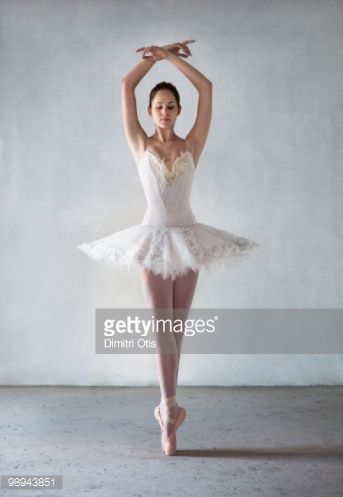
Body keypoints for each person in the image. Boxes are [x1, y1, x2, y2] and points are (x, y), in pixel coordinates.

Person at [77, 40, 260, 456]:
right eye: (158, 106)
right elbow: (126, 84)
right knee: (163, 328)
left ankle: (170, 413)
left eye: (171, 106)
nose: (164, 112)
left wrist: (174, 60)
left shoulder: (192, 144)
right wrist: (154, 56)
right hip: (154, 238)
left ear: (179, 112)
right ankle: (168, 408)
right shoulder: (140, 144)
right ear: (149, 112)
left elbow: (207, 89)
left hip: (188, 237)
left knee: (176, 329)